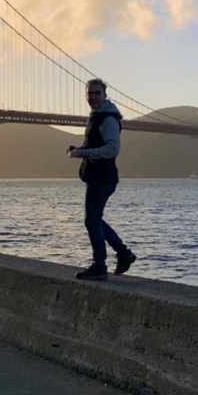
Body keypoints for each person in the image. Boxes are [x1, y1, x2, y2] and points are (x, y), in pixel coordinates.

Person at [67, 78, 136, 280]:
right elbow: (97, 144)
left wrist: (82, 154)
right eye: (90, 93)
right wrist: (79, 149)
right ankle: (124, 254)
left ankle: (100, 265)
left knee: (92, 220)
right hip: (97, 177)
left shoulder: (108, 119)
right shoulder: (97, 116)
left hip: (103, 179)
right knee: (94, 220)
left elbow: (113, 149)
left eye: (97, 93)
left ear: (105, 95)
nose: (93, 97)